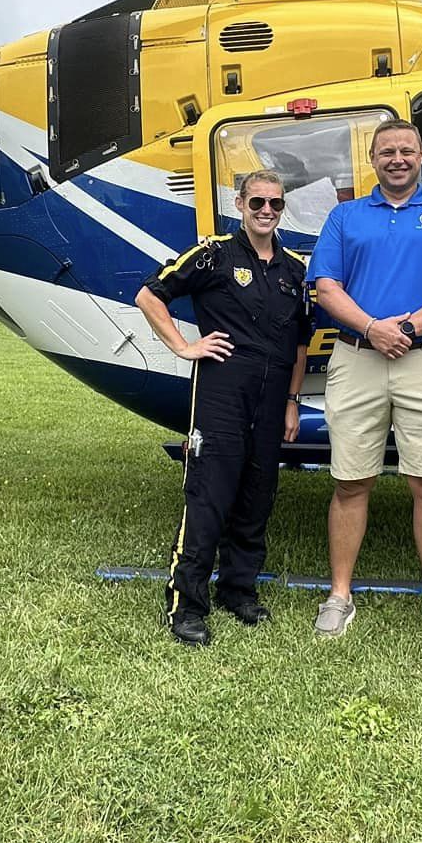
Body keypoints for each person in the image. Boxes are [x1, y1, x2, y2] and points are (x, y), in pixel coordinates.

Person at [306, 119, 422, 649]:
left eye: (407, 150)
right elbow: (326, 287)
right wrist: (371, 327)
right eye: (387, 152)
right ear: (374, 157)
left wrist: (405, 328)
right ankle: (339, 595)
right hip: (356, 355)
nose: (397, 159)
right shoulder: (345, 216)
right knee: (349, 480)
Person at [135, 170, 310, 646]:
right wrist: (183, 347)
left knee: (258, 493)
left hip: (272, 395)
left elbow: (299, 344)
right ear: (239, 204)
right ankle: (186, 605)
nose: (266, 211)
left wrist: (293, 401)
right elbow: (150, 295)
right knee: (210, 494)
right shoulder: (213, 253)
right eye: (257, 203)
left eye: (275, 204)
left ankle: (239, 590)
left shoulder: (294, 269)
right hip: (221, 389)